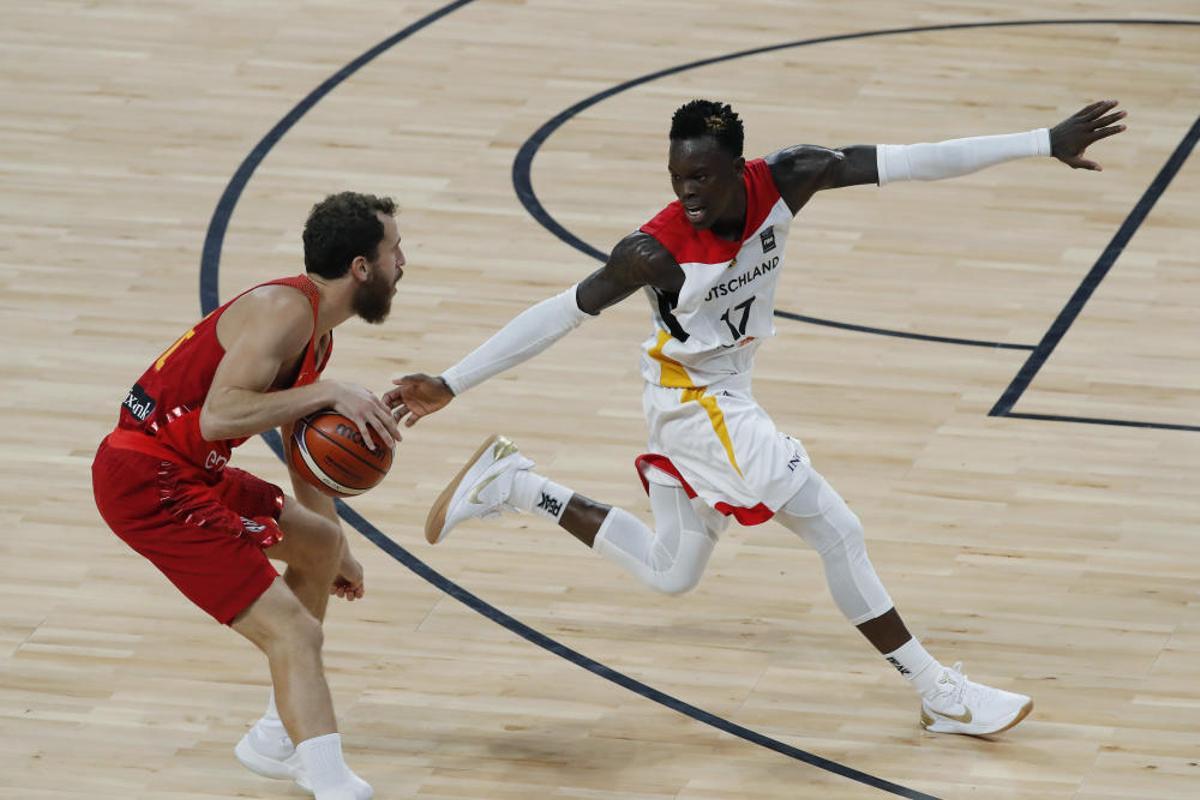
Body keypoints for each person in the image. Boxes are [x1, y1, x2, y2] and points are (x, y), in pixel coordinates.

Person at [389, 99, 1128, 736]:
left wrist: (1041, 142)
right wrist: (452, 382)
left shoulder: (791, 177)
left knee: (670, 574)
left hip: (727, 389)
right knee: (837, 529)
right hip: (692, 402)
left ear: (738, 168)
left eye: (701, 177)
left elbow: (916, 159)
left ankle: (518, 485)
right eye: (677, 178)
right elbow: (559, 313)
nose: (688, 193)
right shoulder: (653, 249)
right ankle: (940, 692)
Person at [92, 191, 405, 799]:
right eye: (395, 250)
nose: (404, 262)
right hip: (145, 479)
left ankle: (273, 739)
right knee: (293, 631)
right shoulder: (282, 310)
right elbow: (220, 415)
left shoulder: (317, 333)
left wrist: (333, 544)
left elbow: (298, 444)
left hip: (189, 469)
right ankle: (332, 783)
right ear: (361, 268)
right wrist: (328, 393)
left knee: (317, 543)